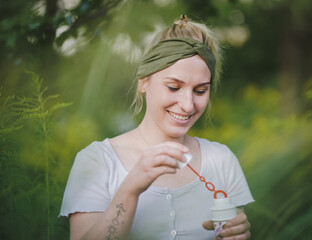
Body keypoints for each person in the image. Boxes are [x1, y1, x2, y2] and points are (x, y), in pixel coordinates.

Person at [60, 15, 254, 240]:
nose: (188, 104)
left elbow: (232, 230)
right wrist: (131, 187)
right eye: (173, 87)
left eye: (200, 91)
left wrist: (239, 234)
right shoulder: (97, 161)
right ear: (144, 82)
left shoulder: (221, 160)